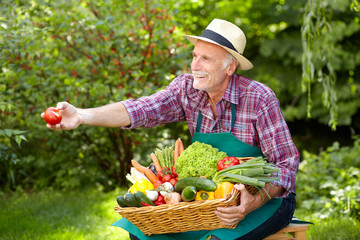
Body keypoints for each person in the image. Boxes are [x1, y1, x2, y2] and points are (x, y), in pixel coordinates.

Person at [42, 19, 299, 240]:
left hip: (264, 200)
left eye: (206, 59)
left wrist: (252, 203)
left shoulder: (259, 98)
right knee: (142, 229)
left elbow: (286, 165)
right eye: (195, 55)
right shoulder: (186, 89)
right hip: (206, 200)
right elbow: (140, 109)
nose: (195, 65)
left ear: (230, 67)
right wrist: (81, 116)